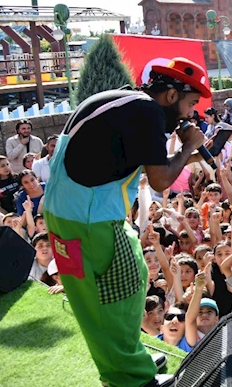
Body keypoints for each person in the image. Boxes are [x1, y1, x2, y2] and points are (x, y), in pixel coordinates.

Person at [41, 57, 210, 387]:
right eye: (190, 104)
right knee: (117, 294)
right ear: (172, 96)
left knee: (109, 289)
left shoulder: (125, 100)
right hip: (91, 218)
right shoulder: (146, 111)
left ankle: (127, 358)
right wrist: (190, 144)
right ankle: (132, 379)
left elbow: (150, 165)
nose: (190, 114)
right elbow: (161, 180)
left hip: (71, 214)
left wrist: (187, 152)